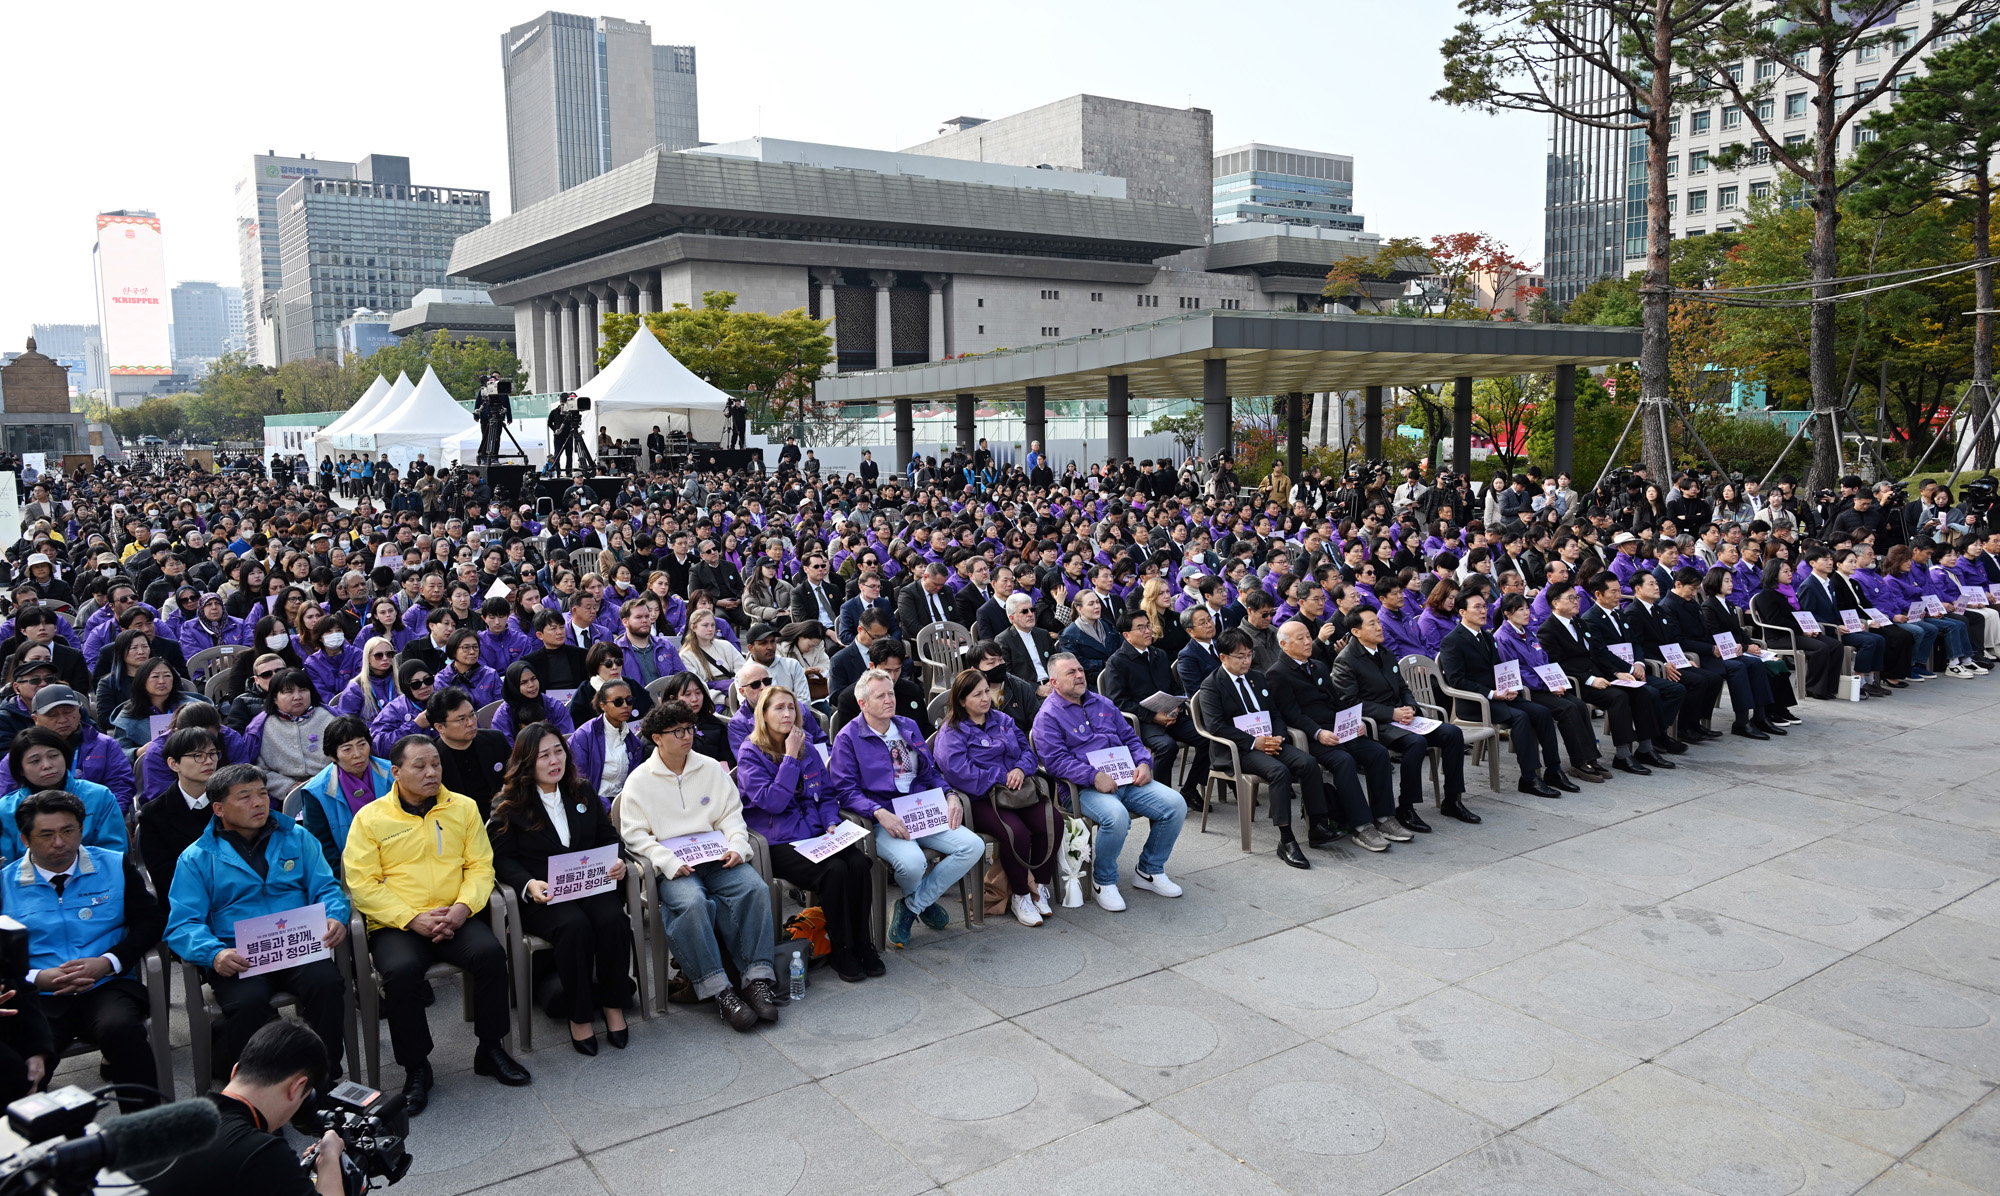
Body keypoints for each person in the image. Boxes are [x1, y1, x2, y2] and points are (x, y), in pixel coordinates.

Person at [344, 735, 530, 1115]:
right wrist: (410, 918)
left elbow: (480, 865)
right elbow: (362, 884)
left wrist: (463, 907)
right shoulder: (371, 818)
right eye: (420, 766)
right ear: (395, 772)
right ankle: (416, 1067)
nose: (431, 772)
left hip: (454, 913)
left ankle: (490, 1048)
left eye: (436, 765)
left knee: (490, 954)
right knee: (400, 971)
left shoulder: (462, 808)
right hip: (398, 923)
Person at [164, 763, 350, 1102]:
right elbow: (182, 924)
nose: (259, 803)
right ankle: (260, 1095)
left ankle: (323, 1078)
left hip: (297, 945)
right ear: (218, 809)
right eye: (245, 797)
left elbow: (328, 888)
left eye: (263, 794)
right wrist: (214, 953)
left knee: (327, 983)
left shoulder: (297, 836)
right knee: (247, 1004)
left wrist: (335, 916)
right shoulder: (197, 857)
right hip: (240, 955)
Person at [619, 700, 780, 1031]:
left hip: (717, 856)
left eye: (689, 728)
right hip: (675, 866)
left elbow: (731, 815)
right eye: (676, 731)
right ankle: (718, 989)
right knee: (692, 903)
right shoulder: (639, 780)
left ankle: (756, 979)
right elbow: (634, 836)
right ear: (656, 738)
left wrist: (738, 846)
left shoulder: (709, 768)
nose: (686, 736)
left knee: (754, 888)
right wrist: (666, 861)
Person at [5, 789, 163, 1107]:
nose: (60, 843)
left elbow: (151, 921)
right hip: (37, 997)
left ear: (81, 829)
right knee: (21, 1060)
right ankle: (31, 1141)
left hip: (106, 985)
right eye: (46, 835)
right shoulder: (4, 884)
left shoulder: (113, 865)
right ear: (25, 839)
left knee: (122, 1030)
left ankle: (146, 1129)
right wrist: (36, 977)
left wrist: (108, 961)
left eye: (68, 831)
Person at [487, 724, 634, 1054]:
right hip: (547, 895)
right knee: (574, 926)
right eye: (544, 755)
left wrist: (618, 859)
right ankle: (579, 1016)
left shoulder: (580, 790)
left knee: (612, 918)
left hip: (590, 884)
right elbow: (503, 859)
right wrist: (528, 884)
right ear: (527, 761)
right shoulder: (509, 804)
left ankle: (613, 1005)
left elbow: (608, 837)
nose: (554, 761)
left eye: (558, 752)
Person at [828, 668, 985, 946]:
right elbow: (845, 791)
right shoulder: (847, 738)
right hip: (882, 816)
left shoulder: (907, 726)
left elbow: (930, 772)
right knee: (913, 864)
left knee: (973, 846)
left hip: (920, 808)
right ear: (863, 703)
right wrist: (878, 812)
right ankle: (924, 902)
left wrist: (949, 795)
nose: (889, 699)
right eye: (880, 696)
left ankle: (912, 906)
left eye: (891, 693)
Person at [734, 685, 880, 981]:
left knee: (858, 863)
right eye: (779, 708)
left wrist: (831, 822)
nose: (788, 713)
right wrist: (789, 758)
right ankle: (841, 948)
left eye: (791, 707)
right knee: (835, 871)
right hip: (778, 841)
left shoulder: (808, 746)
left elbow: (826, 795)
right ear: (763, 714)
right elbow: (772, 802)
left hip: (816, 834)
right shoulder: (750, 751)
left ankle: (863, 943)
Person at [1031, 653, 1187, 911]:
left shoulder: (1103, 703)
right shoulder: (1048, 716)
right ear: (1054, 682)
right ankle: (1103, 881)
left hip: (1127, 777)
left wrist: (1144, 762)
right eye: (1071, 673)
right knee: (1116, 817)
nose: (1080, 675)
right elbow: (1055, 762)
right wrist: (1092, 776)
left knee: (1175, 804)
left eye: (1080, 669)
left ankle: (1149, 870)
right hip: (1082, 788)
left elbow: (1131, 738)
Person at [931, 669, 1058, 927]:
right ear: (962, 700)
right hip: (981, 797)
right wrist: (1002, 776)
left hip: (1017, 791)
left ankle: (1040, 886)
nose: (985, 698)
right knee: (1016, 833)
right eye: (977, 694)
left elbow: (1027, 751)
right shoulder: (952, 731)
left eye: (987, 691)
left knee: (1052, 820)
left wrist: (1021, 769)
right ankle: (1020, 895)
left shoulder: (1002, 719)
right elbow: (959, 773)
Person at [1197, 627, 1332, 867]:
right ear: (1223, 657)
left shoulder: (1257, 677)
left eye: (1249, 654)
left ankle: (1318, 824)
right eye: (1241, 656)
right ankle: (1286, 839)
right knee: (1279, 771)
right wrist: (1253, 742)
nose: (1247, 660)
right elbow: (1216, 726)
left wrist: (1278, 737)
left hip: (1268, 740)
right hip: (1238, 749)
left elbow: (1274, 713)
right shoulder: (1212, 685)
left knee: (1308, 763)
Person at [1265, 619, 1411, 840]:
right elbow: (1291, 714)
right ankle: (1362, 826)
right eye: (1301, 638)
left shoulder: (1318, 665)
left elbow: (1337, 702)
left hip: (1338, 729)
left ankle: (1384, 817)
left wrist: (1355, 720)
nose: (1308, 642)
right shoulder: (1277, 673)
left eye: (1307, 636)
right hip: (1310, 737)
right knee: (1344, 760)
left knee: (1378, 753)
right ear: (1284, 645)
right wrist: (1318, 733)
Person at [1329, 609, 1477, 823]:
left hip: (1403, 718)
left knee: (1452, 733)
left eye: (1378, 622)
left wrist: (1410, 707)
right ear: (1356, 631)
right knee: (1415, 743)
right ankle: (1406, 807)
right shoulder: (1346, 661)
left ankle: (1452, 800)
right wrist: (1392, 713)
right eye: (1371, 624)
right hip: (1376, 723)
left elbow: (1403, 687)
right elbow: (1349, 703)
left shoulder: (1385, 652)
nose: (1379, 627)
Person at [1435, 591, 1572, 799]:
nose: (1484, 611)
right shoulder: (1452, 641)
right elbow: (1457, 681)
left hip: (1499, 697)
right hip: (1476, 703)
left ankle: (1553, 769)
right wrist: (1491, 693)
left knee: (1542, 712)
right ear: (1462, 612)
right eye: (1477, 607)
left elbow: (1500, 668)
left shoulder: (1487, 636)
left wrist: (1509, 686)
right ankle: (1529, 777)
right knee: (1521, 717)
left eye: (1484, 606)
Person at [1101, 610, 1210, 810]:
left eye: (1148, 625)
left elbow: (1175, 688)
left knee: (1208, 739)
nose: (1147, 631)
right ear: (1126, 635)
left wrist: (1176, 706)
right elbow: (1117, 702)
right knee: (1167, 747)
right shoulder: (1118, 661)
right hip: (1141, 721)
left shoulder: (1158, 654)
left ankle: (1189, 788)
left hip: (1170, 715)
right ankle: (1164, 799)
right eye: (1140, 628)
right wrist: (1153, 716)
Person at [1, 727, 127, 866]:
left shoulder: (100, 796)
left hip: (96, 881)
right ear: (20, 770)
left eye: (53, 756)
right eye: (35, 761)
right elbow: (6, 869)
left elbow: (113, 853)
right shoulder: (5, 810)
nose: (47, 765)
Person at [0, 684, 135, 810]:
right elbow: (7, 797)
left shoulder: (105, 745)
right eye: (52, 715)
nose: (63, 720)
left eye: (69, 712)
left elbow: (121, 787)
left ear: (79, 711)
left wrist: (96, 818)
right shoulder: (21, 752)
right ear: (35, 719)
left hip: (94, 820)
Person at [296, 716, 393, 875]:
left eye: (362, 745)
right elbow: (322, 846)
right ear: (333, 756)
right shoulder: (316, 792)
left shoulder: (394, 774)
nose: (357, 754)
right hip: (350, 871)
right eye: (347, 749)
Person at [249, 668, 339, 804]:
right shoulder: (261, 727)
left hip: (332, 787)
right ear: (274, 698)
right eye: (288, 692)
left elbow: (348, 759)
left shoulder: (330, 718)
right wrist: (288, 786)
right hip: (283, 797)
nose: (297, 697)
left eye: (303, 690)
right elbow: (258, 770)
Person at [425, 686, 513, 818]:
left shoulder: (496, 741)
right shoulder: (432, 759)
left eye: (472, 715)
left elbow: (515, 778)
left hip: (502, 818)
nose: (471, 723)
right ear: (440, 727)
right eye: (461, 719)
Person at [568, 679, 648, 809]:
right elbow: (577, 782)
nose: (625, 706)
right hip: (590, 804)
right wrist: (606, 809)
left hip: (624, 805)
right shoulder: (584, 735)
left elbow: (635, 784)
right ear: (603, 705)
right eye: (618, 702)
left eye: (629, 700)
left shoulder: (634, 743)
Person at [109, 656, 208, 750]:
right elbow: (121, 750)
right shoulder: (129, 715)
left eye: (167, 676)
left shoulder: (192, 706)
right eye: (155, 676)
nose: (161, 681)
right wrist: (140, 751)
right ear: (142, 681)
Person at [494, 659, 576, 739]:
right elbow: (505, 749)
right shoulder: (503, 714)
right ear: (513, 687)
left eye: (533, 679)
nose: (531, 685)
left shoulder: (554, 706)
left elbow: (567, 739)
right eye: (524, 682)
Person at [369, 660, 437, 757]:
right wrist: (416, 725)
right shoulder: (394, 709)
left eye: (428, 680)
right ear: (406, 686)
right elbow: (380, 746)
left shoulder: (444, 698)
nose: (424, 686)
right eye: (415, 684)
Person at [333, 636, 399, 723]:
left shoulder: (401, 679)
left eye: (389, 654)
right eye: (378, 655)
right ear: (367, 658)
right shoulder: (355, 687)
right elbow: (347, 723)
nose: (385, 658)